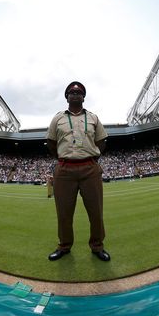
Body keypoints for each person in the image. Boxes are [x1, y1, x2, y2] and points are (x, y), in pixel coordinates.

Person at [46, 81, 110, 262]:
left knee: (96, 211)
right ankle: (64, 246)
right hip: (65, 169)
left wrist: (92, 158)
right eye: (72, 93)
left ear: (83, 97)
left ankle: (97, 246)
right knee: (64, 212)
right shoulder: (57, 118)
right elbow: (51, 143)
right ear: (67, 97)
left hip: (90, 168)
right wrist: (63, 158)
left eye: (79, 93)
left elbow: (102, 141)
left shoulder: (93, 118)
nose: (75, 95)